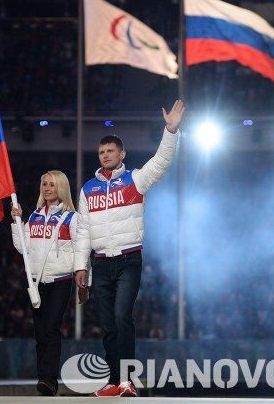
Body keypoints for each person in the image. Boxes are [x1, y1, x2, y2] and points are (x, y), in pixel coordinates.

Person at [74, 100, 185, 397]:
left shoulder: (134, 180)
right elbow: (83, 230)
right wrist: (80, 267)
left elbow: (161, 162)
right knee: (108, 325)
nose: (105, 155)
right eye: (101, 152)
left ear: (121, 154)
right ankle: (113, 381)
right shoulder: (88, 189)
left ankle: (127, 380)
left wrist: (171, 131)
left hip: (128, 259)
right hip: (100, 263)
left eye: (110, 151)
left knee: (123, 317)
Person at [11, 170, 81, 396]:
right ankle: (44, 379)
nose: (47, 188)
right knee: (40, 332)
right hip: (36, 282)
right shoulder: (33, 216)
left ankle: (49, 380)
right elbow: (22, 247)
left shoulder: (72, 217)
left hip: (61, 280)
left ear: (61, 188)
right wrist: (16, 221)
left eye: (52, 184)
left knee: (51, 329)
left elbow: (81, 248)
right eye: (44, 184)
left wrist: (84, 277)